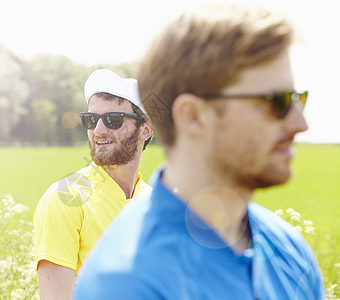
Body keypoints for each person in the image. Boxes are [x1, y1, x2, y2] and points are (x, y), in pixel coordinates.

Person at [74, 4, 326, 299]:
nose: (300, 123)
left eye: (299, 99)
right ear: (192, 116)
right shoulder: (126, 283)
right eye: (276, 101)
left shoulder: (289, 251)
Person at [33, 68, 154, 299]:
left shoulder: (154, 203)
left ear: (145, 129)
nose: (98, 130)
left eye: (113, 120)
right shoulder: (65, 199)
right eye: (91, 119)